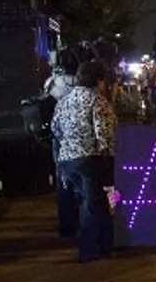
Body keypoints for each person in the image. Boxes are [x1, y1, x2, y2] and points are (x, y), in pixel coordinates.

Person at [50, 61, 117, 263]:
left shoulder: (64, 101)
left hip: (67, 160)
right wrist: (108, 156)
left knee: (94, 203)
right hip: (91, 160)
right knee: (91, 206)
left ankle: (106, 245)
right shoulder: (98, 101)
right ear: (99, 80)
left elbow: (55, 128)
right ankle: (89, 249)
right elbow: (104, 134)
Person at [44, 48, 81, 238]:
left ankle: (67, 225)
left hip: (60, 138)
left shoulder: (52, 83)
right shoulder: (82, 83)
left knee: (63, 181)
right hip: (82, 138)